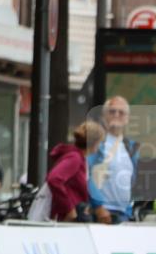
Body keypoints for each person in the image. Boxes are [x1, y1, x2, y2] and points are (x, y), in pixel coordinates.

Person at [88, 96, 140, 224]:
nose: (116, 115)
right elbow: (85, 174)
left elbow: (132, 181)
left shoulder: (131, 147)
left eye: (121, 112)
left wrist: (128, 209)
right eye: (112, 111)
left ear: (127, 119)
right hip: (100, 214)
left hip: (123, 215)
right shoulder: (96, 142)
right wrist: (98, 207)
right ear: (104, 116)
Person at [47, 121, 104, 222]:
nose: (100, 146)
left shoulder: (78, 158)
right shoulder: (75, 158)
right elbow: (54, 179)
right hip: (66, 217)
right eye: (100, 142)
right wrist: (69, 209)